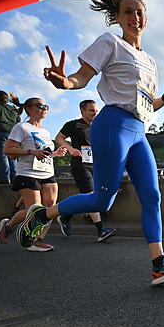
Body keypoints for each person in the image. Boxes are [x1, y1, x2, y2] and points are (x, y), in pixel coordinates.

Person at [21, 0, 164, 285]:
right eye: (128, 12)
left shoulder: (151, 62)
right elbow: (82, 77)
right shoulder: (110, 42)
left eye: (140, 13)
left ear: (146, 19)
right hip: (112, 124)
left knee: (152, 195)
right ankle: (42, 216)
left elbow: (146, 104)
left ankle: (159, 264)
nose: (135, 18)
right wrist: (64, 82)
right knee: (103, 201)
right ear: (116, 16)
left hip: (139, 130)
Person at [0, 97, 67, 252]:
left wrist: (55, 154)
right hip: (28, 173)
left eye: (46, 106)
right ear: (29, 109)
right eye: (40, 106)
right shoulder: (21, 127)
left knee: (50, 209)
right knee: (34, 210)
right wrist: (30, 151)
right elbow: (7, 150)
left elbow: (43, 153)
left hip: (47, 172)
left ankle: (37, 239)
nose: (44, 108)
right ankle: (9, 226)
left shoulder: (45, 131)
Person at [54, 99, 117, 242]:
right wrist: (70, 149)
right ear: (82, 111)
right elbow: (59, 137)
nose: (95, 112)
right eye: (91, 110)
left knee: (90, 197)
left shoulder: (100, 126)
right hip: (80, 165)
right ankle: (101, 230)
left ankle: (65, 216)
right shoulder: (74, 124)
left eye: (96, 110)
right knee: (90, 194)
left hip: (97, 165)